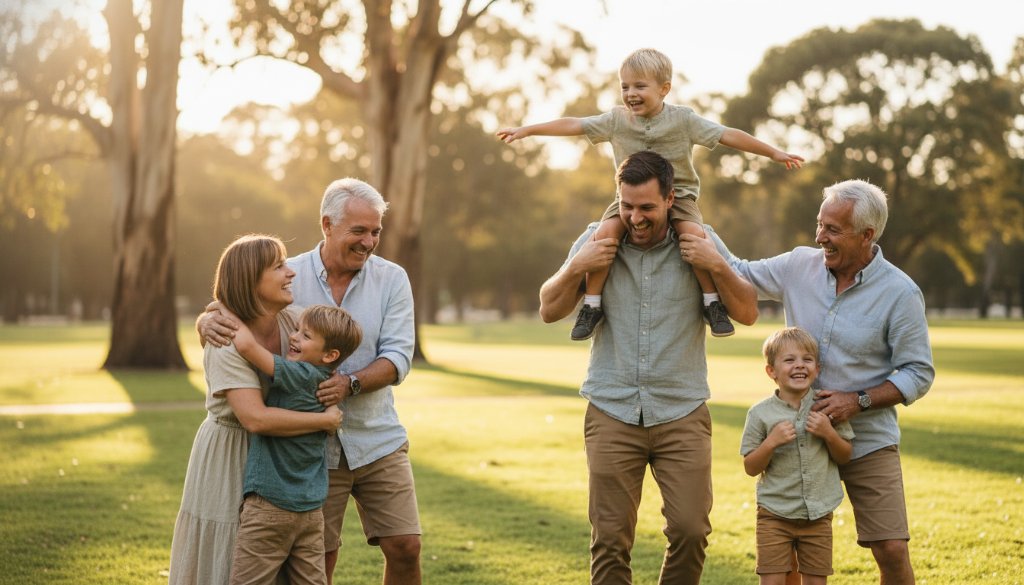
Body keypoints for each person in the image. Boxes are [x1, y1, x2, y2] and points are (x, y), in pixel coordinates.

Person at [689, 179, 935, 584]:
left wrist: (857, 402)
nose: (820, 236)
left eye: (833, 229)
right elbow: (737, 272)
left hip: (867, 437)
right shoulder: (798, 265)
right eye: (820, 225)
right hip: (796, 432)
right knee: (789, 554)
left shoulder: (900, 293)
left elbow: (918, 372)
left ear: (866, 235)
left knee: (890, 548)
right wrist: (691, 218)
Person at [538, 150, 759, 584]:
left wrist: (715, 263)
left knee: (692, 530)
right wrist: (578, 267)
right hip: (612, 409)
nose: (635, 218)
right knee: (609, 539)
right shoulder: (596, 238)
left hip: (682, 411)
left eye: (647, 208)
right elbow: (548, 308)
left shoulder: (701, 238)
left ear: (671, 198)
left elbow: (749, 312)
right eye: (626, 206)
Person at [199, 178, 419, 585]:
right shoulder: (287, 273)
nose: (369, 241)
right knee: (318, 560)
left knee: (406, 547)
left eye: (375, 231)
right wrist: (207, 318)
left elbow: (399, 357)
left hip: (377, 436)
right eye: (359, 231)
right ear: (327, 225)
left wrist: (349, 384)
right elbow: (239, 303)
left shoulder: (392, 279)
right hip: (309, 450)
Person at [499, 47, 802, 341]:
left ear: (664, 89)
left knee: (694, 236)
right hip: (628, 200)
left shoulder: (683, 120)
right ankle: (591, 306)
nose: (631, 93)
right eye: (625, 86)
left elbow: (727, 134)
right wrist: (529, 129)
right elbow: (575, 124)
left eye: (640, 86)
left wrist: (772, 152)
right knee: (604, 233)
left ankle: (711, 302)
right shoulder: (616, 120)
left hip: (680, 195)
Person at [170, 235, 344, 585]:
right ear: (251, 280)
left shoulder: (295, 323)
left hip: (281, 461)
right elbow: (254, 418)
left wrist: (207, 312)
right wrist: (324, 420)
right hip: (231, 453)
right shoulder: (225, 340)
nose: (291, 272)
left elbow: (336, 345)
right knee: (233, 558)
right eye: (278, 266)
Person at [228, 305, 363, 585]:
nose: (294, 337)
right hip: (311, 510)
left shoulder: (300, 374)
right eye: (297, 329)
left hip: (270, 503)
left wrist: (220, 310)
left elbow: (246, 346)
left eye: (306, 335)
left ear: (330, 355)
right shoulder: (327, 385)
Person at [741, 327, 854, 585]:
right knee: (772, 581)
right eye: (789, 360)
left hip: (818, 515)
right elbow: (750, 466)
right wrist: (771, 443)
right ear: (772, 371)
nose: (799, 366)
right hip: (774, 515)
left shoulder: (828, 405)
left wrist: (828, 433)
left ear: (817, 369)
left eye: (807, 359)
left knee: (816, 581)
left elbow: (845, 455)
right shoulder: (759, 414)